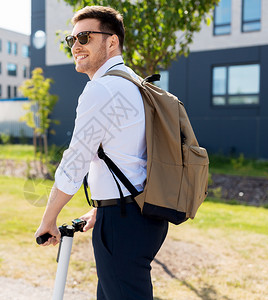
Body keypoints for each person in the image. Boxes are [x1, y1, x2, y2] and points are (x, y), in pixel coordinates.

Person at [35, 5, 168, 299]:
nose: (76, 46)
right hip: (143, 214)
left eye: (84, 37)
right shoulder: (135, 83)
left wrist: (48, 219)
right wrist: (100, 207)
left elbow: (75, 161)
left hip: (123, 221)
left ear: (111, 42)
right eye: (72, 40)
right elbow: (132, 156)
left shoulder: (102, 89)